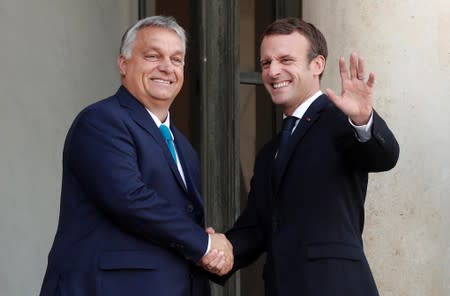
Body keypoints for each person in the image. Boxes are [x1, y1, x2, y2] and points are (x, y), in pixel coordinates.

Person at [204, 17, 400, 295]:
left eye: (286, 60)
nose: (273, 71)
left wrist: (363, 119)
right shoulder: (269, 153)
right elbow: (256, 229)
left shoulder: (340, 121)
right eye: (266, 63)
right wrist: (217, 249)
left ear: (317, 65)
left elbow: (384, 156)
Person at [39, 16, 232, 296]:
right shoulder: (101, 121)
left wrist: (213, 250)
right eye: (153, 56)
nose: (166, 67)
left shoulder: (184, 148)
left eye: (176, 60)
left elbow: (177, 223)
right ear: (123, 64)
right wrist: (204, 245)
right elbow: (129, 198)